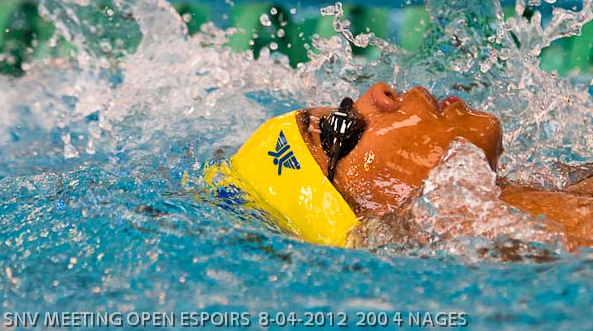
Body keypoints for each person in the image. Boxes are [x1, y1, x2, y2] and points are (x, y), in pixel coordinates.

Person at [219, 82, 593, 252]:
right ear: (368, 217)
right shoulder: (549, 244)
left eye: (344, 107)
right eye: (340, 129)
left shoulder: (555, 212)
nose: (378, 92)